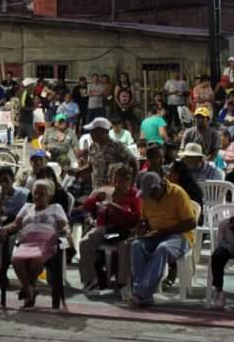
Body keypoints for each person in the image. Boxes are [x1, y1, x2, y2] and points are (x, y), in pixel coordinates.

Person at [129, 172, 197, 307]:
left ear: (159, 187)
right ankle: (143, 293)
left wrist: (165, 231)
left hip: (179, 236)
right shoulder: (147, 198)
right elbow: (145, 219)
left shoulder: (177, 193)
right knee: (136, 245)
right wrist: (142, 226)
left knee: (163, 249)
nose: (149, 197)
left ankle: (141, 293)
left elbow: (191, 223)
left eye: (151, 194)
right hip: (156, 235)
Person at [0, 178, 69, 309]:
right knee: (16, 259)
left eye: (42, 193)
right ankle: (30, 289)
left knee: (36, 259)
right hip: (27, 241)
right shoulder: (27, 207)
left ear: (50, 196)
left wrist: (66, 232)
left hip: (46, 242)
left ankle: (27, 289)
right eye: (35, 193)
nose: (37, 196)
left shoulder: (56, 208)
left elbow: (64, 226)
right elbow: (15, 225)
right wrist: (3, 229)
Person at [78, 163, 141, 292]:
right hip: (105, 229)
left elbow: (137, 217)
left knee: (125, 246)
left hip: (125, 231)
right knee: (85, 243)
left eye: (122, 181)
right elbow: (86, 207)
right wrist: (95, 198)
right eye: (116, 180)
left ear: (129, 181)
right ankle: (91, 280)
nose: (118, 184)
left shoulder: (134, 194)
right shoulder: (106, 191)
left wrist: (118, 208)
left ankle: (122, 283)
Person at [84, 117, 136, 191]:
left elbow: (134, 164)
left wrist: (132, 185)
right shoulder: (93, 147)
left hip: (114, 191)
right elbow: (90, 167)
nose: (91, 134)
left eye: (94, 132)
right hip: (97, 190)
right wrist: (78, 172)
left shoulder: (117, 146)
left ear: (104, 132)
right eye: (91, 132)